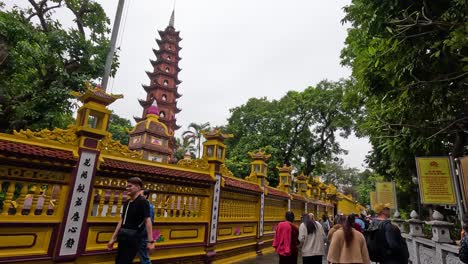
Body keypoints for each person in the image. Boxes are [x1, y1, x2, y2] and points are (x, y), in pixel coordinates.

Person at [107, 177, 154, 264]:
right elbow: (122, 220)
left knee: (125, 261)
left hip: (134, 237)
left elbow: (148, 220)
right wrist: (113, 238)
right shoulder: (127, 202)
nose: (127, 188)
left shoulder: (143, 202)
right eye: (127, 186)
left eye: (130, 186)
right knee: (118, 260)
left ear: (138, 187)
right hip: (123, 235)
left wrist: (150, 241)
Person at [137, 190, 155, 264]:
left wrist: (148, 239)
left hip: (142, 235)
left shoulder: (148, 206)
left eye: (140, 195)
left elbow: (148, 221)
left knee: (144, 258)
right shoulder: (143, 205)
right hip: (140, 234)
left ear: (145, 196)